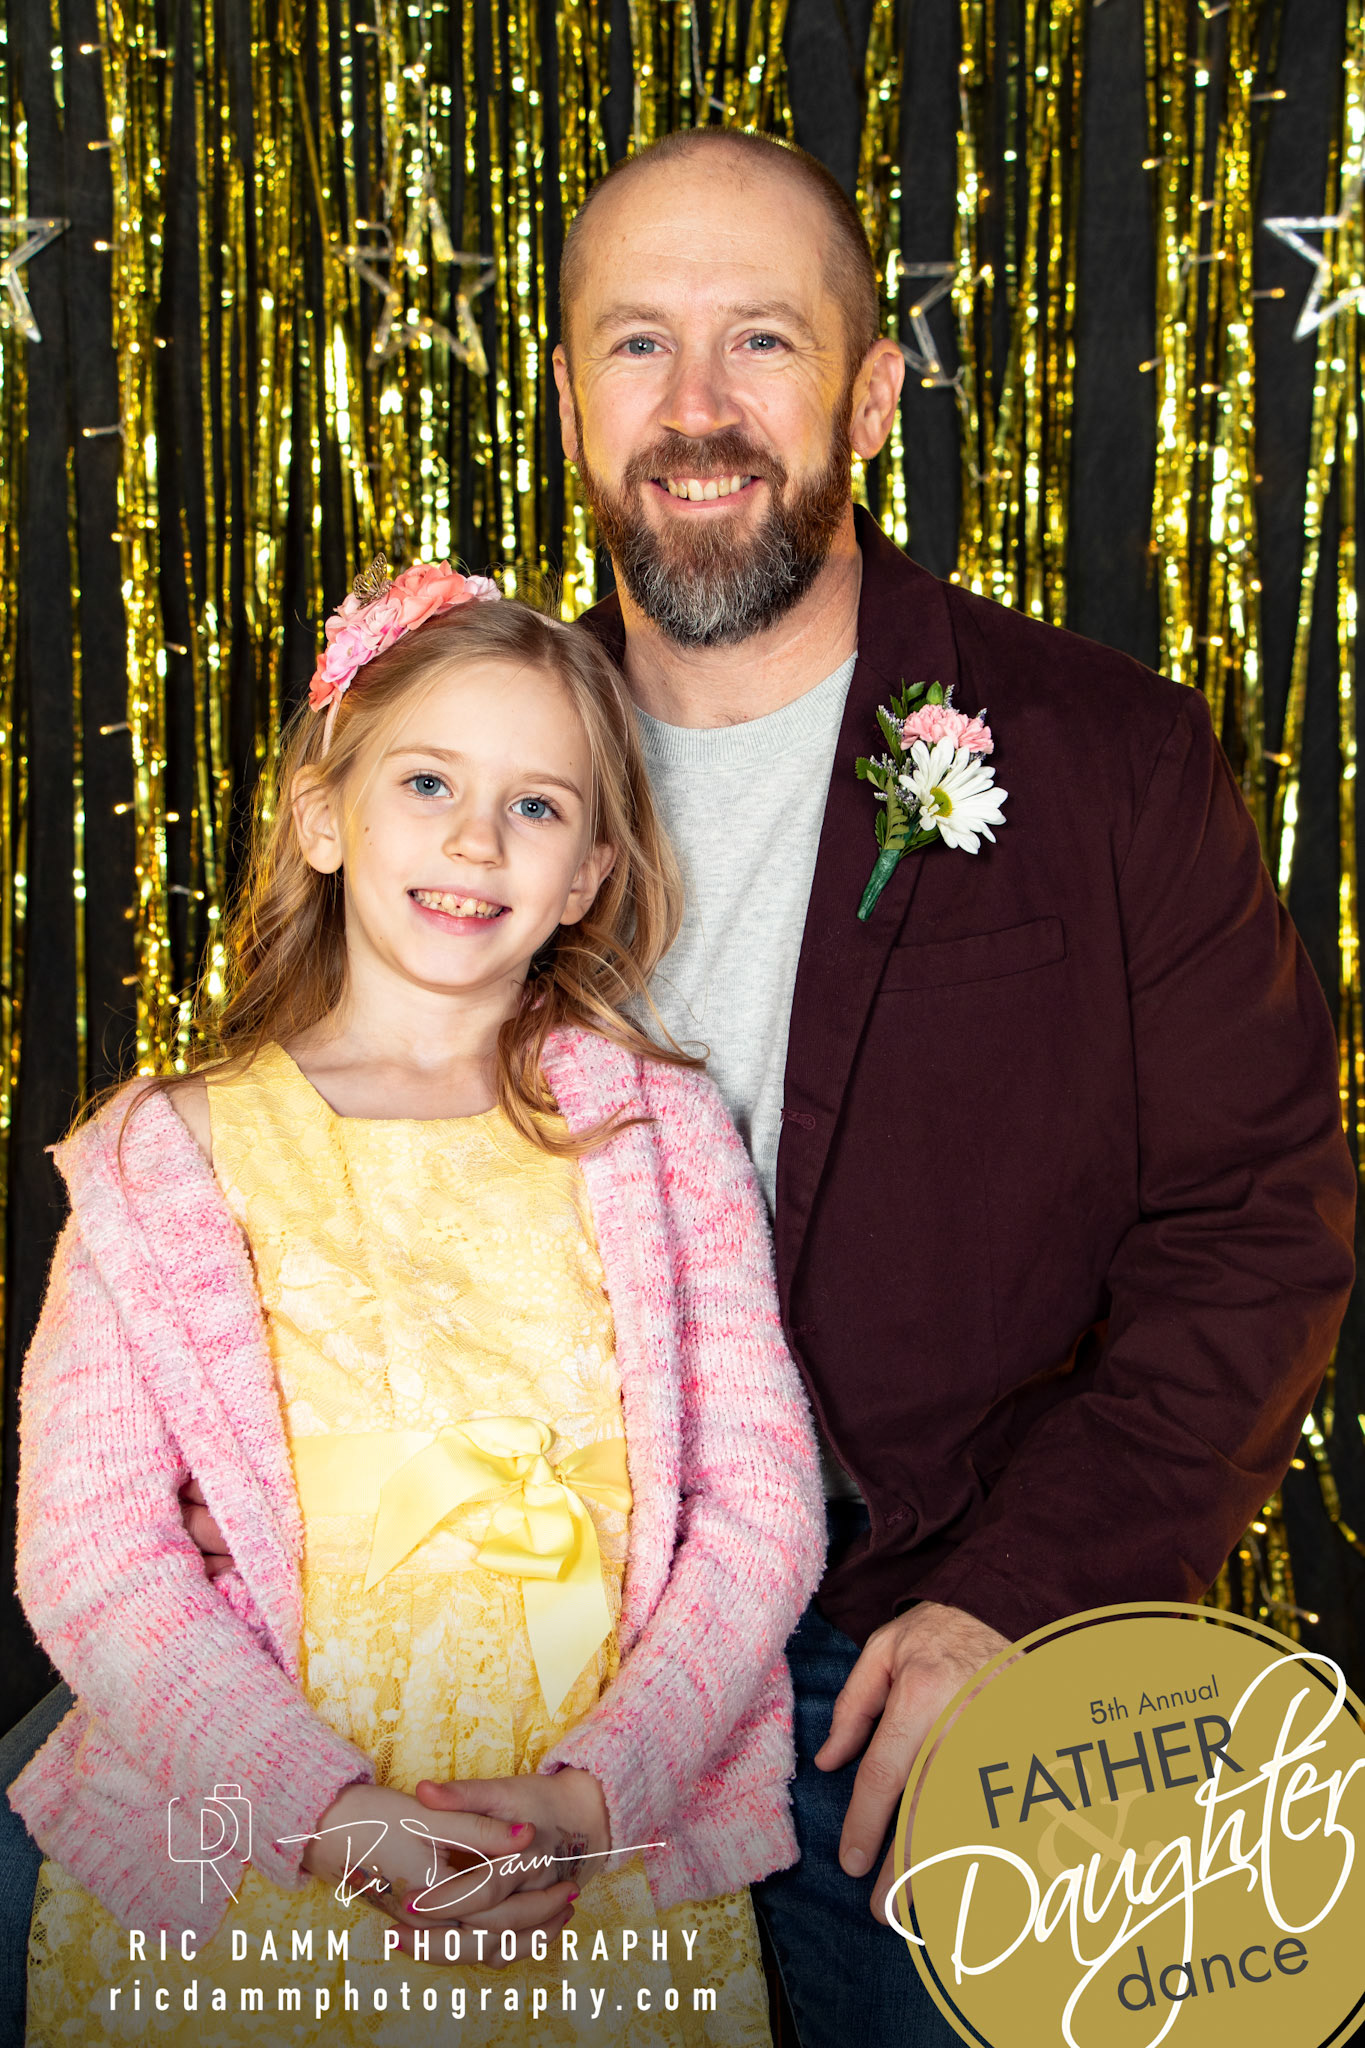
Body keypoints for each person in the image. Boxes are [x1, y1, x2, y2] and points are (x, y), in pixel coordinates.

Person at [0, 123, 1357, 2048]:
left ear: (871, 394)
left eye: (762, 343)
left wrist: (1021, 1602)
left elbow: (1255, 1234)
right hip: (368, 1622)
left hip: (899, 1615)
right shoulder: (472, 758)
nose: (696, 408)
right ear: (568, 400)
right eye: (638, 344)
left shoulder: (1103, 761)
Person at [8, 571, 825, 2046]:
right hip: (262, 1877)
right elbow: (95, 1556)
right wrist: (334, 1818)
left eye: (536, 806)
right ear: (325, 815)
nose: (474, 840)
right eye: (429, 782)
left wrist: (593, 1798)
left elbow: (761, 1511)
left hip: (585, 1875)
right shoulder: (164, 1157)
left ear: (587, 875)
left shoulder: (661, 1138)